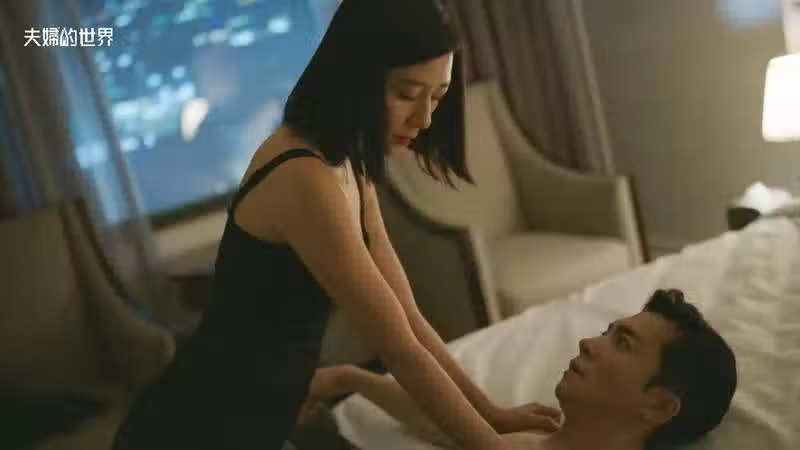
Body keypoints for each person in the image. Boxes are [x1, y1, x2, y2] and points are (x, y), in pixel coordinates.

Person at [112, 1, 558, 449]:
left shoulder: (349, 161)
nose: (424, 119)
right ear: (356, 78)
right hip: (203, 425)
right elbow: (398, 348)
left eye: (437, 97)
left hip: (268, 408)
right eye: (407, 94)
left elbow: (408, 320)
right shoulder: (304, 175)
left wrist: (493, 416)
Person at [305, 289, 739, 450]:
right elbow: (447, 423)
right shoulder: (542, 429)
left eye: (622, 344)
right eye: (607, 333)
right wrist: (351, 379)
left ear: (659, 405)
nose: (589, 343)